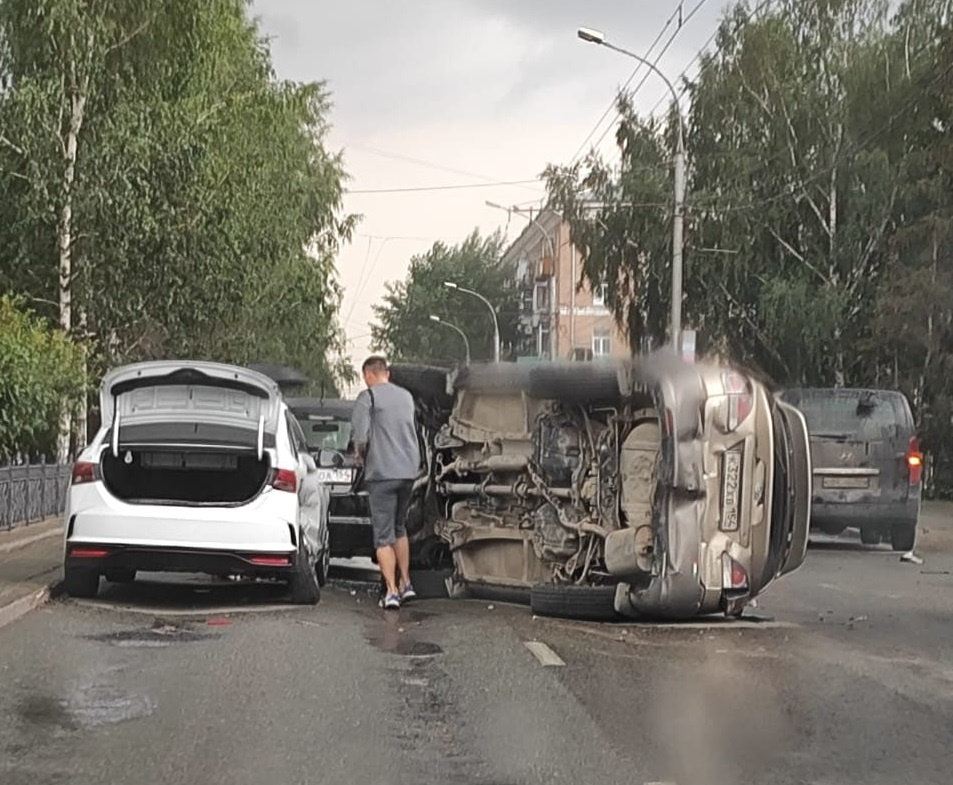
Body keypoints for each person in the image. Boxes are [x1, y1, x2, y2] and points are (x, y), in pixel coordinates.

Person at [350, 356, 421, 609]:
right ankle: (407, 583)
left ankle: (391, 591)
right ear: (387, 373)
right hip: (408, 472)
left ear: (368, 375)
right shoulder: (406, 397)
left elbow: (361, 437)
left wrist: (358, 458)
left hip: (382, 473)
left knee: (382, 536)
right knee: (399, 528)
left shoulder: (367, 397)